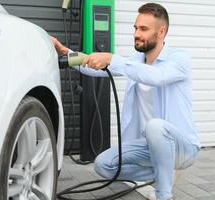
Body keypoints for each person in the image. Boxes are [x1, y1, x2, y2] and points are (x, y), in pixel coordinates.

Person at [51, 3, 200, 200]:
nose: (136, 33)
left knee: (155, 127)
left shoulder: (179, 59)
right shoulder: (136, 60)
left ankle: (164, 195)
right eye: (135, 28)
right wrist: (64, 52)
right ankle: (162, 171)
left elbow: (156, 76)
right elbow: (96, 66)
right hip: (148, 146)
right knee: (103, 164)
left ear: (161, 32)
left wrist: (112, 58)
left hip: (182, 146)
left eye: (144, 29)